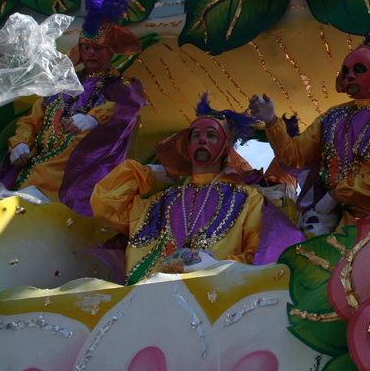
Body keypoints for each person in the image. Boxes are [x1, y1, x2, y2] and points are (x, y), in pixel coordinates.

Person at [249, 31, 370, 234]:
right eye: (346, 70)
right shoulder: (334, 116)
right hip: (324, 218)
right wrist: (272, 121)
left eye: (359, 69)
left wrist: (336, 195)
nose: (349, 75)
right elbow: (295, 155)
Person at [0, 0, 145, 215]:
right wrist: (20, 143)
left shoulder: (123, 86)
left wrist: (94, 120)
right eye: (86, 47)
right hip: (31, 168)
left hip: (77, 177)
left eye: (97, 47)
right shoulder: (61, 84)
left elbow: (125, 110)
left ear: (111, 50)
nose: (90, 53)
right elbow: (32, 119)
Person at [91, 95, 264, 285]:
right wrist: (151, 173)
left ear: (225, 147)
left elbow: (259, 254)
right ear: (187, 146)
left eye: (212, 135)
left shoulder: (246, 196)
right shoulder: (161, 201)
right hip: (148, 300)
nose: (202, 140)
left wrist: (214, 266)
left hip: (213, 300)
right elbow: (106, 202)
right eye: (195, 135)